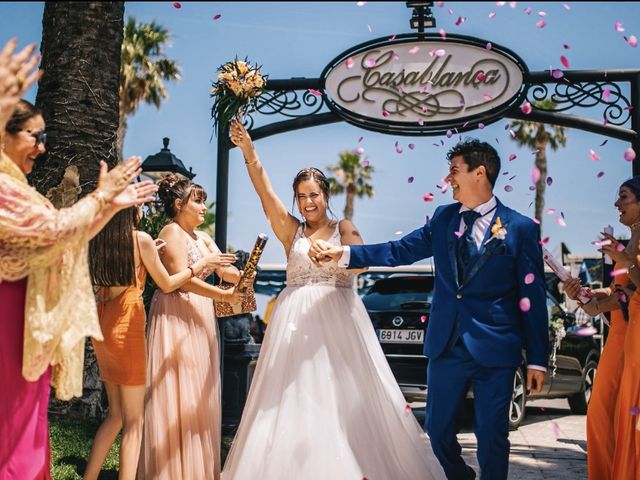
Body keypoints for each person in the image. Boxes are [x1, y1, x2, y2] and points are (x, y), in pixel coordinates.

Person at [311, 139, 548, 480]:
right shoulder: (443, 218)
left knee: (492, 436)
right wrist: (344, 255)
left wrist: (537, 358)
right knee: (437, 431)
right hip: (446, 343)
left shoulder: (521, 228)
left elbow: (533, 296)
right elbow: (399, 250)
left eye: (455, 171)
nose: (448, 179)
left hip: (497, 347)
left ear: (479, 173)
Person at [224, 120, 445, 480]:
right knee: (288, 400)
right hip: (293, 329)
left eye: (314, 194)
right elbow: (264, 191)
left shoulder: (343, 226)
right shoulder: (289, 230)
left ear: (326, 195)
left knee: (337, 400)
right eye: (302, 196)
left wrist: (337, 253)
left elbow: (361, 261)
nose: (308, 202)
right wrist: (249, 150)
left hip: (337, 325)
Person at [0, 39, 157, 479]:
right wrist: (101, 198)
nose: (43, 147)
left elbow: (63, 237)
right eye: (36, 135)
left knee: (25, 433)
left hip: (24, 327)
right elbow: (54, 231)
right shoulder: (3, 188)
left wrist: (107, 205)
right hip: (7, 325)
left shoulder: (16, 189)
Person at [83, 206, 236, 480]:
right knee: (134, 421)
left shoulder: (102, 240)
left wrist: (148, 252)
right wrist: (199, 266)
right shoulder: (140, 239)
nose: (143, 209)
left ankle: (90, 477)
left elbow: (120, 271)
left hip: (103, 324)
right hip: (126, 326)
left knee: (115, 415)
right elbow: (167, 284)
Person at [140, 174, 247, 480]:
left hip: (200, 316)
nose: (204, 206)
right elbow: (181, 281)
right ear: (179, 204)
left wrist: (244, 273)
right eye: (198, 200)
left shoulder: (203, 237)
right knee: (177, 393)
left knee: (199, 393)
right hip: (176, 315)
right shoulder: (171, 232)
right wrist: (224, 294)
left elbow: (227, 270)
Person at [564, 176, 640, 480]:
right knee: (599, 413)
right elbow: (619, 295)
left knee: (629, 416)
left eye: (623, 197)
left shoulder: (625, 249)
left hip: (637, 338)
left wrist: (621, 256)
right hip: (619, 336)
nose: (616, 204)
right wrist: (583, 296)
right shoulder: (628, 241)